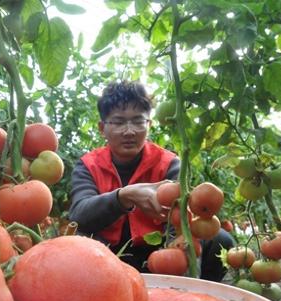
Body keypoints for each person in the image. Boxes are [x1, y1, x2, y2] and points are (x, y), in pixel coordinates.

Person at [69, 80, 233, 280]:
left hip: (157, 254)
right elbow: (79, 215)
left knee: (219, 239)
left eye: (138, 121)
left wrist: (186, 274)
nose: (129, 131)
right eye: (119, 122)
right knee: (75, 243)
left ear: (149, 124)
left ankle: (204, 295)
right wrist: (123, 196)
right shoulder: (88, 165)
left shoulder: (169, 163)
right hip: (107, 254)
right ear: (102, 128)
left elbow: (181, 223)